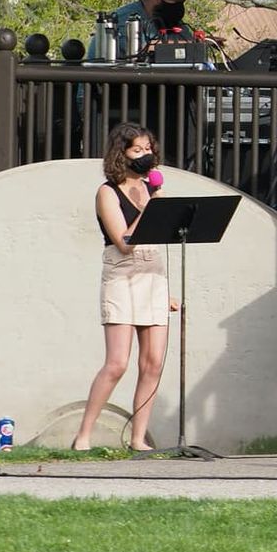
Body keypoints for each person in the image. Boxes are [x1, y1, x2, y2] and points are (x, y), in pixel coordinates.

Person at [71, 122, 178, 451]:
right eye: (137, 150)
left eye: (148, 149)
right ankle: (84, 435)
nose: (145, 156)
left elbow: (160, 236)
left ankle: (137, 438)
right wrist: (149, 208)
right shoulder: (107, 191)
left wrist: (165, 291)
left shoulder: (150, 188)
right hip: (122, 273)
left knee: (153, 362)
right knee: (117, 362)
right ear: (122, 154)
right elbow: (124, 241)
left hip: (153, 274)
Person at [88, 0, 198, 60]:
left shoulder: (174, 22)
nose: (180, 6)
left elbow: (192, 47)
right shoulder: (125, 19)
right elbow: (138, 51)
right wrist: (190, 45)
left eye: (183, 1)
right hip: (106, 86)